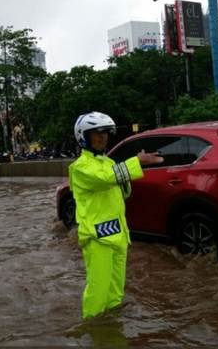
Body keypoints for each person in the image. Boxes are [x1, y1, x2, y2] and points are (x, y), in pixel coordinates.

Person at [69, 112, 163, 319]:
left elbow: (121, 189)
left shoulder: (109, 162)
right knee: (98, 291)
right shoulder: (80, 168)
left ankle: (111, 329)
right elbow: (105, 179)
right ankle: (92, 329)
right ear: (84, 136)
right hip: (97, 237)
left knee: (115, 293)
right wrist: (136, 162)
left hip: (118, 234)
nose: (103, 137)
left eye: (106, 133)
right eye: (97, 133)